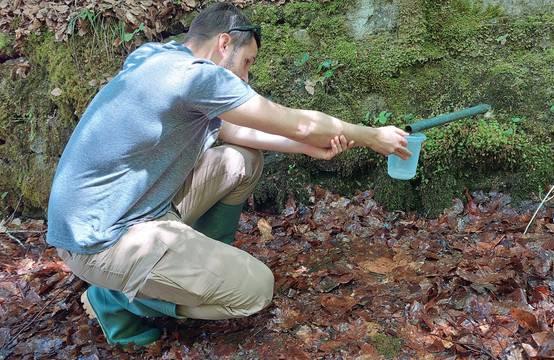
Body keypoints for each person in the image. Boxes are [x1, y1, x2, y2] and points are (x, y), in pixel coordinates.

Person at [46, 3, 411, 346]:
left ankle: (185, 272)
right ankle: (114, 299)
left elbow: (233, 132)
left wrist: (305, 147)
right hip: (100, 239)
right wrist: (372, 136)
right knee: (255, 289)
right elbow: (300, 122)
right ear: (224, 44)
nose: (247, 76)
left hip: (121, 213)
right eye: (247, 61)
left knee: (241, 161)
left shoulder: (155, 57)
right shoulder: (197, 77)